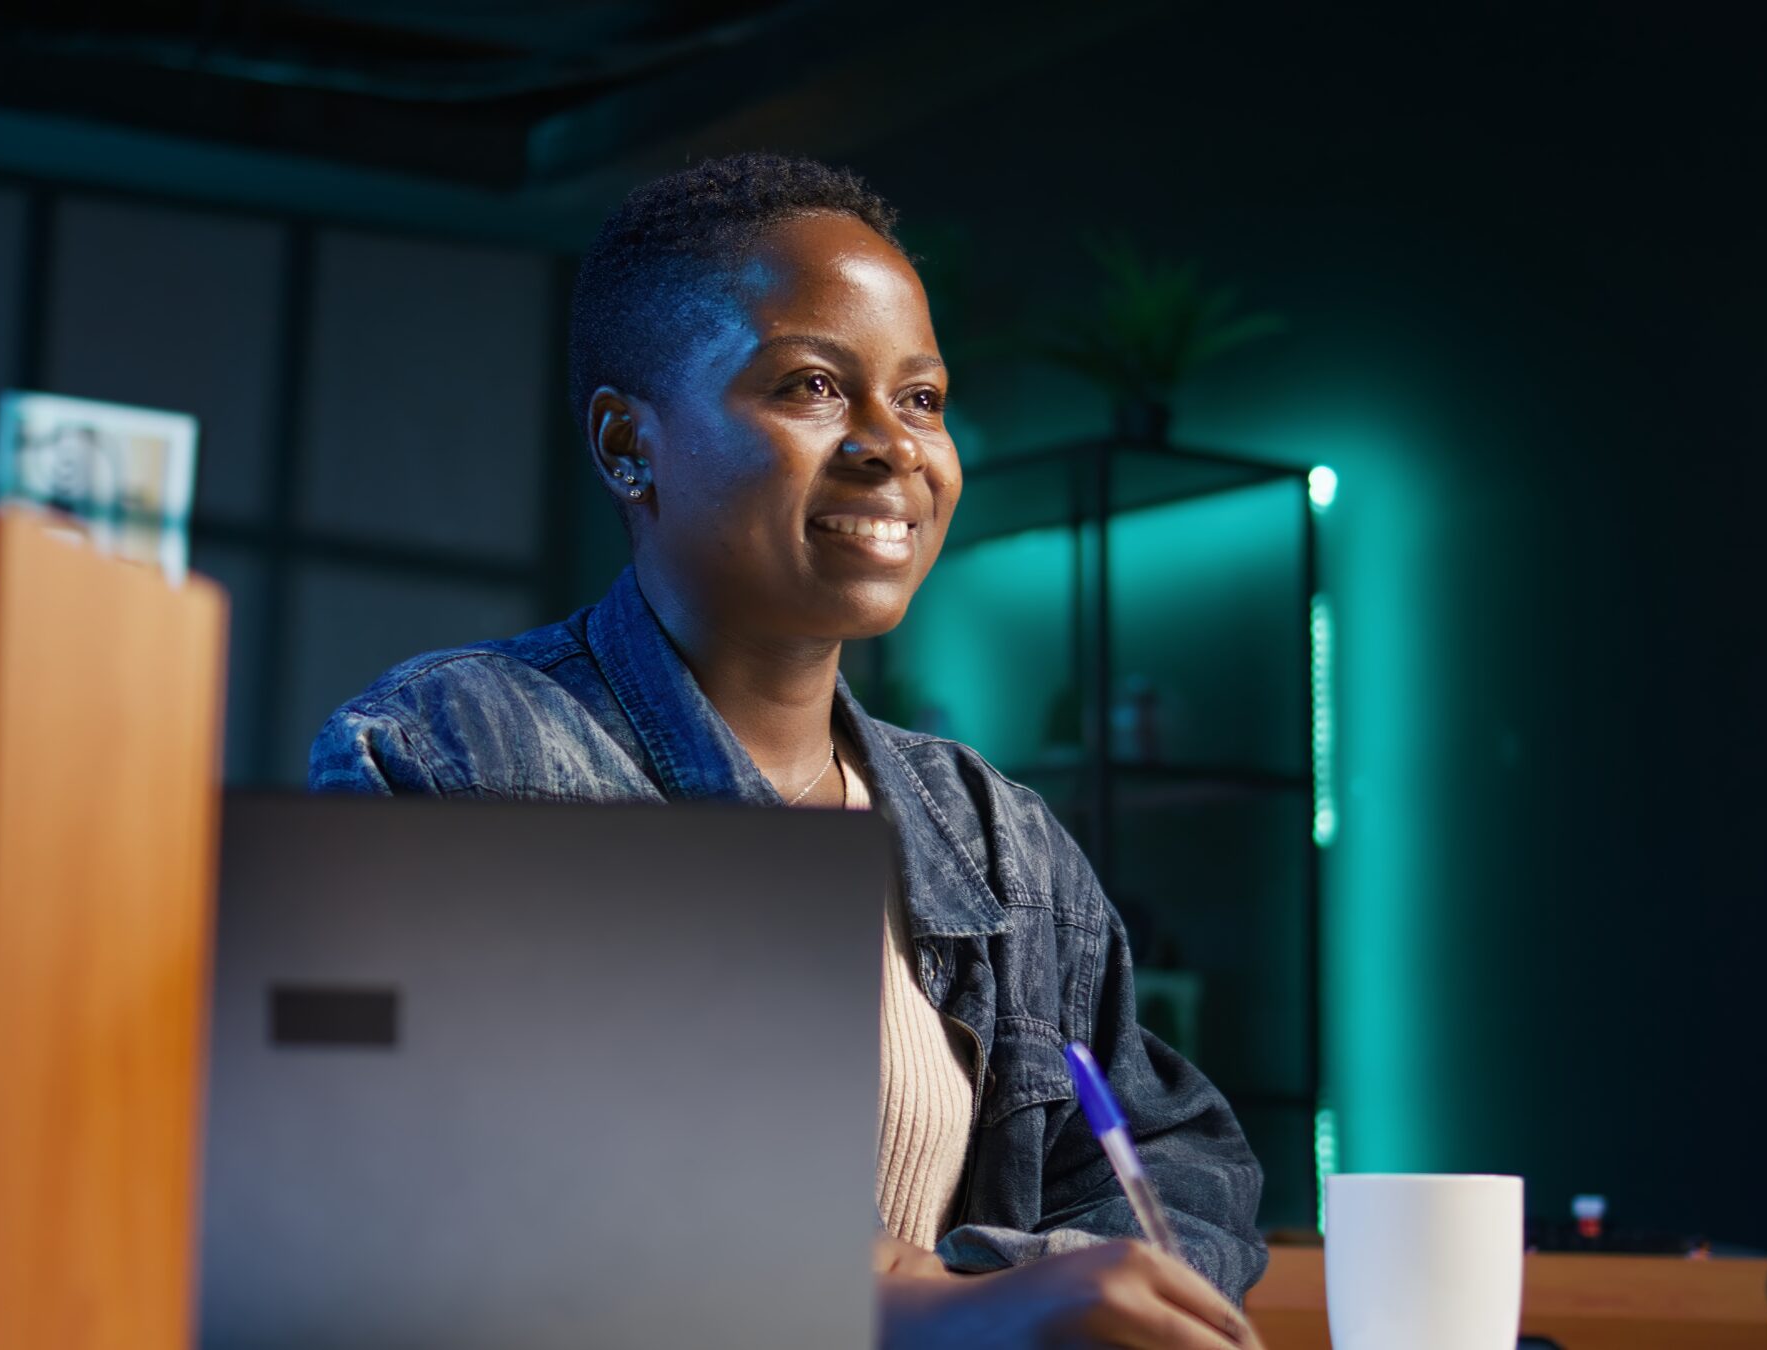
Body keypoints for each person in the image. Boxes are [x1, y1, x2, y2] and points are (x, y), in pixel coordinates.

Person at [310, 152, 1269, 1349]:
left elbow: (1184, 1165)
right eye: (812, 385)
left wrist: (1006, 1288)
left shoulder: (992, 833)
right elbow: (429, 1190)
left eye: (920, 398)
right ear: (627, 444)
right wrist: (922, 1307)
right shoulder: (454, 750)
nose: (892, 447)